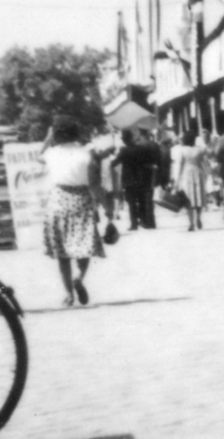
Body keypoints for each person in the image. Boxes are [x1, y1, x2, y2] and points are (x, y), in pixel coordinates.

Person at [41, 117, 104, 306]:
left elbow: (39, 156)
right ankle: (78, 278)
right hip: (81, 200)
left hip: (58, 200)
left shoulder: (51, 153)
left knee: (62, 252)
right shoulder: (86, 154)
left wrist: (47, 137)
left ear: (56, 133)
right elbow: (94, 183)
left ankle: (68, 293)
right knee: (84, 244)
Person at [119, 127, 161, 230]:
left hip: (132, 178)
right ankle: (149, 222)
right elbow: (156, 161)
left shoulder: (132, 148)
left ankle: (137, 223)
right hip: (146, 176)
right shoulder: (152, 145)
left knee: (133, 202)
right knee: (146, 200)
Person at [171, 123, 210, 231]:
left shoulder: (182, 150)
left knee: (188, 199)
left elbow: (180, 165)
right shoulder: (201, 149)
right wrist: (206, 174)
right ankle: (198, 218)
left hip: (186, 174)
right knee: (198, 196)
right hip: (198, 172)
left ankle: (191, 223)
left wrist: (177, 180)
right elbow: (205, 162)